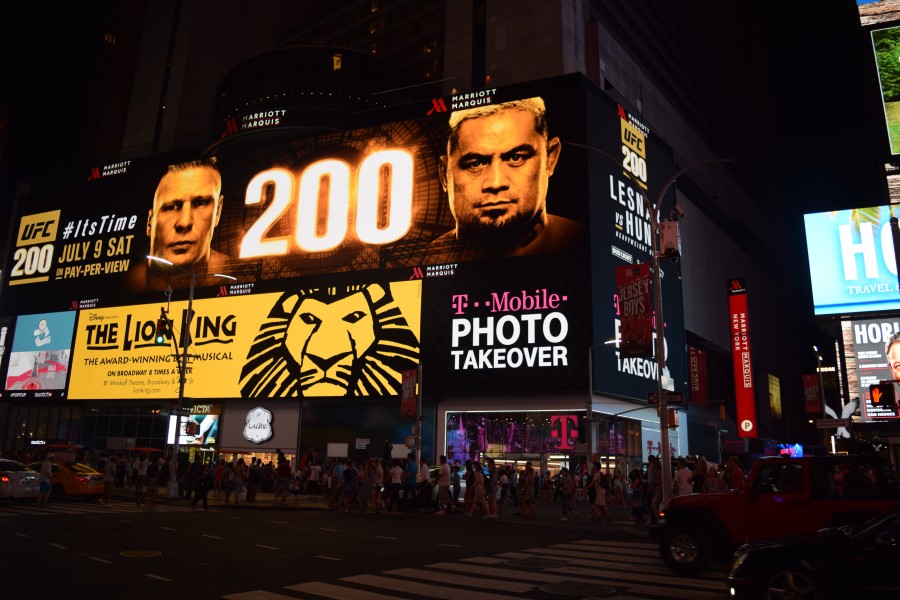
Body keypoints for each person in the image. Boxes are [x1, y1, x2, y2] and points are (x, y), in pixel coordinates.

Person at [426, 97, 585, 264]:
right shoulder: (424, 262)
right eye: (475, 163)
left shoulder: (581, 243)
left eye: (516, 158)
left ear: (550, 159)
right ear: (444, 174)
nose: (495, 183)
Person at [123, 158, 229, 293]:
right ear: (150, 222)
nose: (184, 223)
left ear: (218, 211)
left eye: (200, 203)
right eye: (171, 207)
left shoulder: (240, 276)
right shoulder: (123, 286)